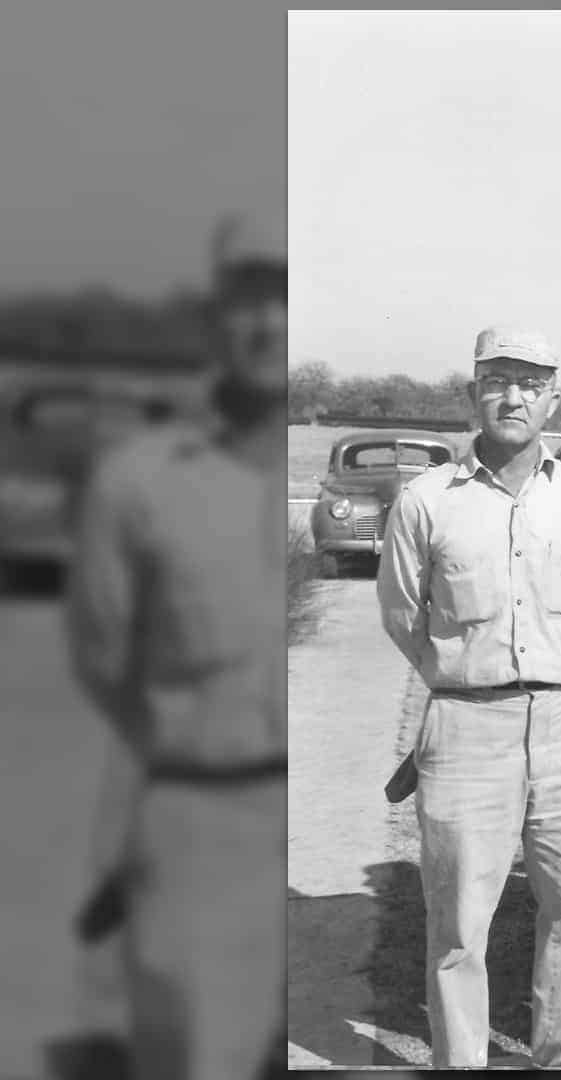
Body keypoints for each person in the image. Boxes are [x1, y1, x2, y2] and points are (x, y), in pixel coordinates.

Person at [62, 213, 290, 1080]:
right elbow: (100, 658)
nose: (268, 323)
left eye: (288, 300)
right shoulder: (140, 483)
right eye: (246, 301)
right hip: (201, 822)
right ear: (213, 320)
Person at [375, 326, 561, 1068]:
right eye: (497, 381)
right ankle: (462, 1061)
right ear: (472, 392)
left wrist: (555, 667)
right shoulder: (424, 500)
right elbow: (401, 614)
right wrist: (463, 674)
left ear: (554, 397)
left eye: (531, 383)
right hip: (466, 723)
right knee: (458, 920)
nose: (514, 397)